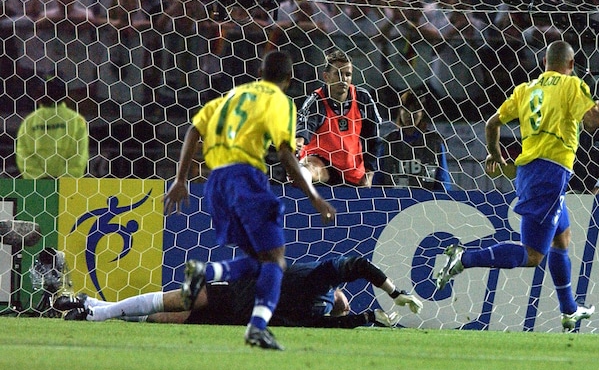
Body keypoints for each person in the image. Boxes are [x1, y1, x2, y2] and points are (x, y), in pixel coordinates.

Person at [434, 40, 599, 331]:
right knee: (532, 255)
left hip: (531, 171)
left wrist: (493, 152)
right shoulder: (572, 86)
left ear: (544, 62)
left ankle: (569, 310)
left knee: (562, 238)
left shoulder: (526, 89)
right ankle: (464, 258)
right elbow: (592, 121)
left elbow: (492, 123)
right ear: (571, 64)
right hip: (549, 174)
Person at [164, 50, 337, 351]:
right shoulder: (281, 101)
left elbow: (194, 129)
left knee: (259, 262)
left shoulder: (234, 93)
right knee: (276, 260)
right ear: (289, 79)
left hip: (215, 182)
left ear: (259, 71)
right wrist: (314, 196)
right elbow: (284, 153)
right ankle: (257, 328)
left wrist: (180, 179)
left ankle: (210, 273)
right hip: (245, 177)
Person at [55, 255, 423, 329]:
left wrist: (369, 315)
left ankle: (94, 308)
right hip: (240, 290)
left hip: (237, 309)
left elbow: (355, 269)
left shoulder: (319, 299)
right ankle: (97, 310)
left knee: (171, 315)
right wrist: (393, 292)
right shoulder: (322, 285)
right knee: (178, 300)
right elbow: (358, 265)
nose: (346, 302)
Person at [296, 48, 382, 187]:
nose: (343, 79)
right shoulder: (316, 100)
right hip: (322, 162)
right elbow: (306, 125)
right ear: (326, 77)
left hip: (352, 171)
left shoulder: (362, 98)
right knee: (309, 166)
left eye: (347, 74)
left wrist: (369, 173)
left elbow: (374, 139)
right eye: (338, 74)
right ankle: (301, 181)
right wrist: (299, 140)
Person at [375, 90, 453, 191]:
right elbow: (377, 180)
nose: (410, 115)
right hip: (394, 201)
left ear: (422, 113)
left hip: (426, 202)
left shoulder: (434, 142)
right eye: (406, 109)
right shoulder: (387, 142)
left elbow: (443, 181)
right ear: (399, 111)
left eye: (415, 110)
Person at [15, 77, 89, 180]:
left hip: (37, 187)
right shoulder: (76, 120)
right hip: (68, 188)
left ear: (38, 95)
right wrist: (67, 178)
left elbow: (23, 154)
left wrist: (38, 177)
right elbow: (80, 156)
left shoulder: (29, 121)